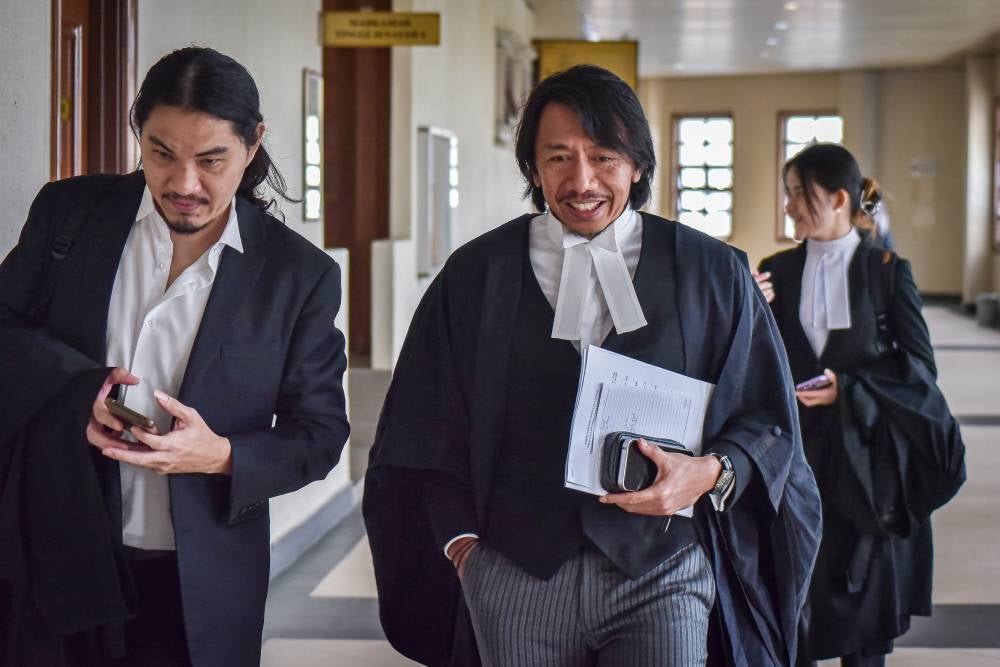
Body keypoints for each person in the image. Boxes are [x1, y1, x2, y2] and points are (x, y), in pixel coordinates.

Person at [364, 64, 821, 667]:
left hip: (663, 568)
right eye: (558, 157)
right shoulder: (477, 276)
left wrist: (708, 474)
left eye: (604, 156)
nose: (582, 181)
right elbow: (424, 423)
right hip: (515, 572)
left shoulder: (712, 274)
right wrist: (464, 547)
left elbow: (769, 419)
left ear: (637, 164)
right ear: (532, 166)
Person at [0, 47, 349, 666]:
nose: (184, 185)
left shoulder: (299, 276)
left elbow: (319, 435)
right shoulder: (69, 214)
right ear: (138, 135)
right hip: (55, 555)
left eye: (211, 159)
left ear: (253, 143)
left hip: (199, 584)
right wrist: (76, 391)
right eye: (161, 153)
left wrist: (222, 455)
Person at [756, 143, 965, 666]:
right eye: (788, 194)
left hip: (865, 464)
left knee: (863, 615)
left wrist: (847, 388)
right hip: (797, 458)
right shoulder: (773, 271)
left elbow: (920, 373)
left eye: (801, 194)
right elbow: (755, 363)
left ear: (841, 197)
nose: (789, 206)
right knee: (791, 594)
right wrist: (749, 309)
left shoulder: (888, 271)